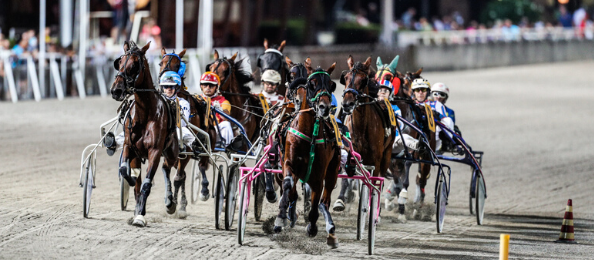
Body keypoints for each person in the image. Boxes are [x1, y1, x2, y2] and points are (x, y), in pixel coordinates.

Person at [411, 78, 454, 152]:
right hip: (413, 137)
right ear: (414, 92)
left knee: (448, 120)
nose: (420, 93)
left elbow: (444, 121)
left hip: (434, 139)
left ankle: (446, 143)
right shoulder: (409, 105)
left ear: (427, 92)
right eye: (417, 90)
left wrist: (436, 115)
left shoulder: (437, 104)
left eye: (423, 90)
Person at [377, 80, 419, 152]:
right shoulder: (371, 106)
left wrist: (391, 117)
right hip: (375, 140)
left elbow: (400, 125)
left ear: (390, 94)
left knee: (405, 138)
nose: (383, 92)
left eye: (386, 91)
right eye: (380, 90)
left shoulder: (395, 108)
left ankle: (419, 146)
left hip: (392, 141)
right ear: (377, 93)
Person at [160, 71, 196, 152]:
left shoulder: (183, 103)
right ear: (162, 87)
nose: (169, 89)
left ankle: (195, 145)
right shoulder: (157, 101)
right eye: (166, 86)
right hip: (159, 129)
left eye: (172, 87)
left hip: (176, 130)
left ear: (176, 88)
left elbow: (183, 123)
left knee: (183, 130)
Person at [200, 72, 234, 147]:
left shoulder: (223, 101)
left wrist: (219, 109)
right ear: (201, 86)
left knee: (226, 124)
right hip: (199, 130)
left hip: (215, 131)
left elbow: (225, 118)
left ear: (216, 87)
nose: (208, 87)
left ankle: (228, 147)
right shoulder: (196, 99)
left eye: (211, 85)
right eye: (205, 85)